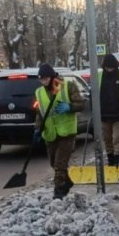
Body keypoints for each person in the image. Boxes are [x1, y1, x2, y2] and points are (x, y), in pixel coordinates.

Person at [34, 63, 84, 199]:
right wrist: (37, 128)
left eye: (45, 79)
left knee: (59, 164)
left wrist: (69, 107)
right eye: (41, 80)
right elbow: (40, 112)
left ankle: (59, 191)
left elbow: (81, 104)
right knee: (53, 163)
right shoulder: (39, 92)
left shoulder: (67, 85)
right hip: (50, 133)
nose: (43, 82)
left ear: (51, 76)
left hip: (67, 132)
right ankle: (67, 181)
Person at [97, 54, 119, 167]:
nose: (109, 70)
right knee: (107, 139)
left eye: (111, 67)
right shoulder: (99, 76)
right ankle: (111, 161)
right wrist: (96, 111)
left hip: (118, 114)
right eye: (107, 67)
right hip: (104, 115)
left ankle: (117, 162)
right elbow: (93, 93)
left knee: (117, 139)